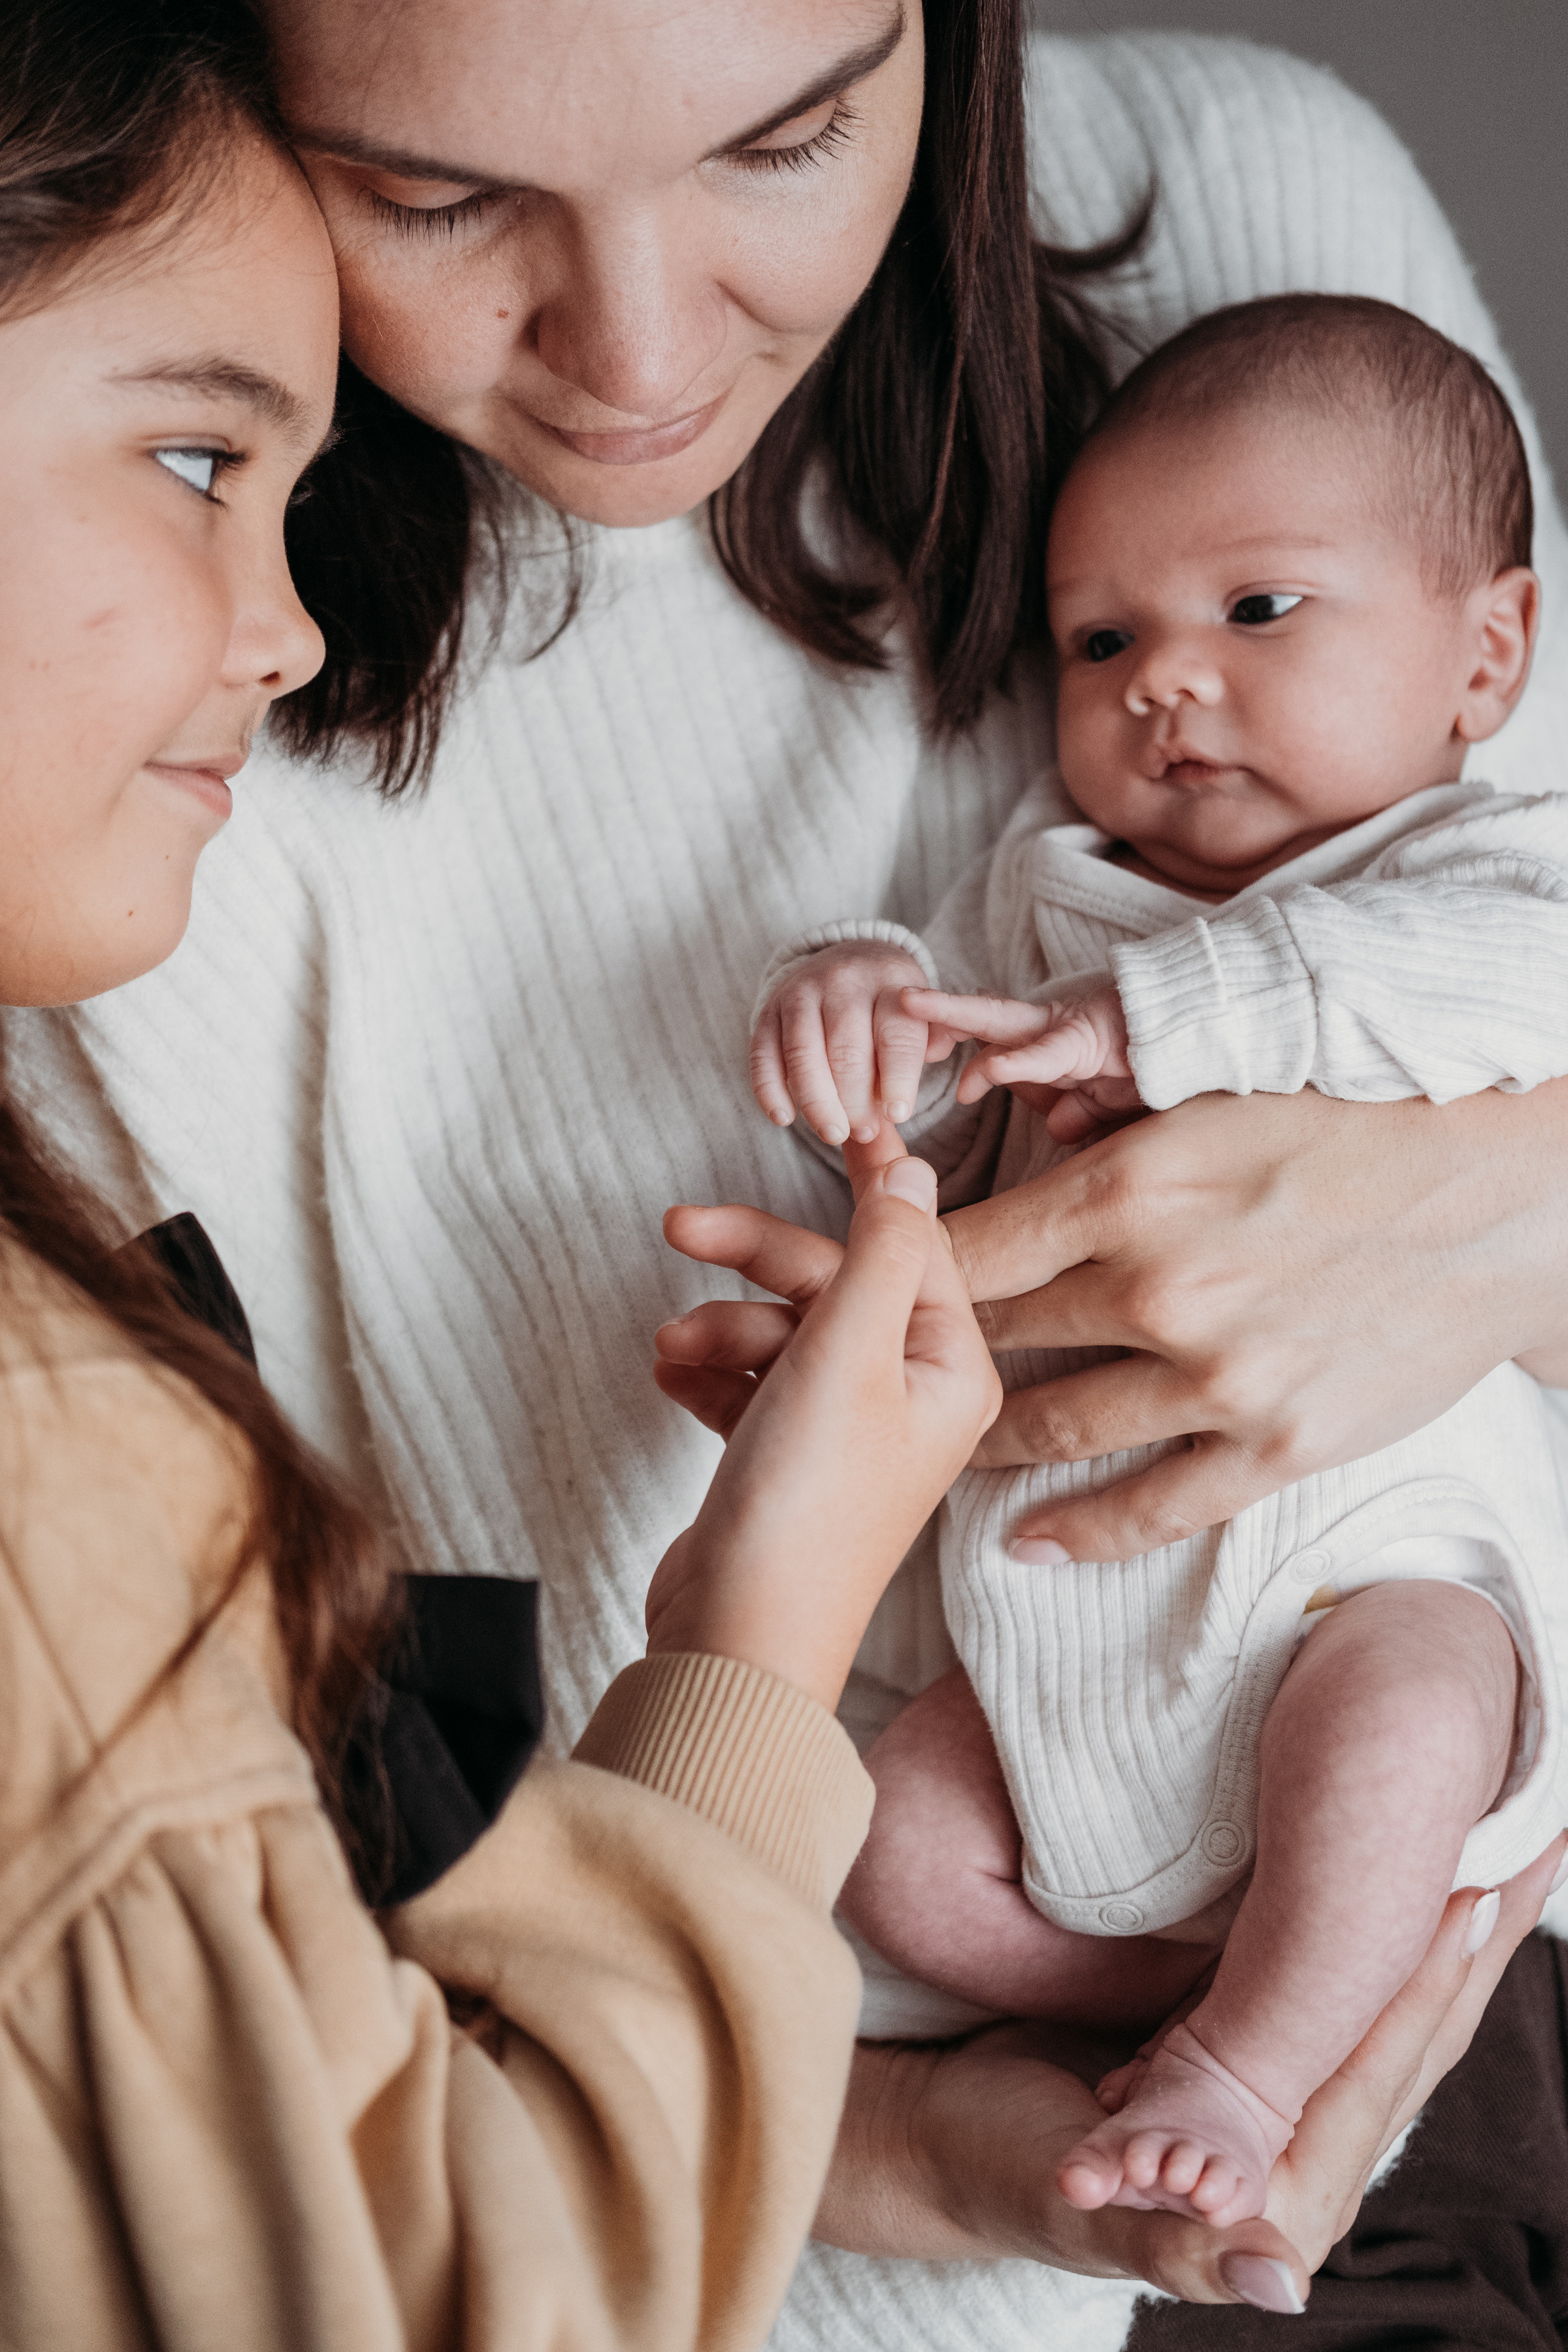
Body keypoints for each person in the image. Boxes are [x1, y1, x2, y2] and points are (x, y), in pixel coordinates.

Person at [10, 1, 1568, 2341]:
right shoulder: (100, 736)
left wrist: (1480, 1213)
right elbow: (337, 2057)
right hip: (751, 2192)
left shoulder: (1256, 250)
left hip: (1438, 2010)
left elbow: (1499, 924)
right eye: (439, 199)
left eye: (790, 137)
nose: (642, 354)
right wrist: (943, 2141)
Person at [751, 291, 1568, 2229]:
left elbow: (1504, 991)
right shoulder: (1047, 887)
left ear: (1490, 652)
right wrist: (862, 999)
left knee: (1400, 1736)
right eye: (1101, 641)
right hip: (1065, 1616)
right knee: (897, 1846)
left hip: (1368, 1565)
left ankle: (1252, 2058)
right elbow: (941, 1104)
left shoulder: (1485, 876)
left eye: (1257, 611)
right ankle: (1173, 1987)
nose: (1164, 685)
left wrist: (1160, 1016)